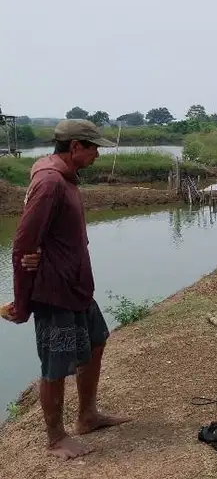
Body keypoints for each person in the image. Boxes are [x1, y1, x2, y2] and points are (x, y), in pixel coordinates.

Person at [7, 119, 131, 459]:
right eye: (93, 148)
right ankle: (55, 437)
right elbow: (22, 245)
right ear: (75, 146)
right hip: (54, 291)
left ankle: (88, 415)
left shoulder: (63, 178)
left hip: (76, 286)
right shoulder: (50, 183)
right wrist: (21, 304)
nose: (97, 155)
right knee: (56, 363)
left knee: (96, 340)